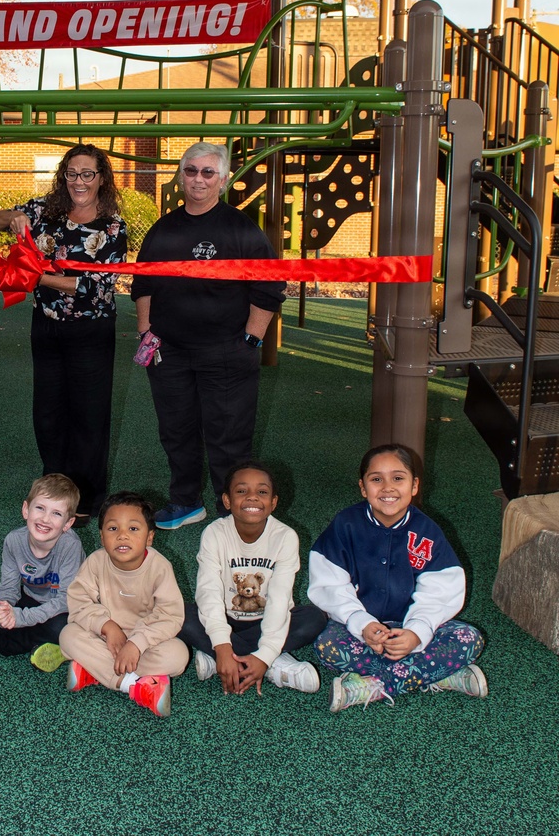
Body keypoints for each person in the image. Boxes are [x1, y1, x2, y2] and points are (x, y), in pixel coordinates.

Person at [131, 141, 286, 530]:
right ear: (181, 176)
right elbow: (143, 282)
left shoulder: (241, 229)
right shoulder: (163, 229)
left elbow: (270, 287)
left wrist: (251, 340)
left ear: (223, 179)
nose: (198, 179)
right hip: (170, 353)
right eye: (191, 171)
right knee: (176, 431)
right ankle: (185, 501)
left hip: (227, 353)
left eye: (207, 172)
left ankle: (230, 510)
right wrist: (146, 331)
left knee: (229, 438)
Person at [0, 144, 128, 523]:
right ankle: (54, 490)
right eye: (72, 173)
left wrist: (34, 276)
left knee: (88, 413)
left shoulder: (112, 226)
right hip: (46, 324)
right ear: (63, 175)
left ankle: (88, 498)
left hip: (91, 328)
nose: (79, 181)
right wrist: (15, 216)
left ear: (102, 178)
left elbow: (95, 287)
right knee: (47, 412)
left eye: (87, 174)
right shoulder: (44, 208)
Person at [308, 444, 488, 712]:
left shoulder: (428, 532)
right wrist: (362, 624)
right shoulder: (345, 525)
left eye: (398, 478)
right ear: (363, 487)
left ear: (414, 486)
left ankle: (373, 685)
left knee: (468, 638)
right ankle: (439, 673)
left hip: (411, 627)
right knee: (325, 642)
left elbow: (440, 591)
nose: (387, 488)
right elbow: (329, 585)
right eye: (376, 479)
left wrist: (416, 633)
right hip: (363, 631)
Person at [179, 461, 326, 695]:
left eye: (262, 492)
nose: (252, 497)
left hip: (267, 619)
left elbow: (279, 599)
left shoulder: (285, 537)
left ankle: (223, 660)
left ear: (273, 502)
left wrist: (264, 654)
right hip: (225, 617)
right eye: (241, 491)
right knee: (179, 615)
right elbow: (209, 591)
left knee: (314, 618)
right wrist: (222, 643)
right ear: (227, 500)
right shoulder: (214, 534)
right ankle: (272, 664)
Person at [59, 492, 188, 717]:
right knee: (68, 635)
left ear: (149, 538)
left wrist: (137, 644)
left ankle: (93, 670)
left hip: (145, 642)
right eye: (113, 529)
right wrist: (107, 627)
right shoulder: (96, 562)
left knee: (178, 654)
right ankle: (134, 685)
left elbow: (170, 615)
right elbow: (79, 601)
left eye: (133, 529)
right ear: (101, 537)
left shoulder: (160, 567)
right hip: (106, 638)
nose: (122, 536)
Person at [0, 473, 85, 670]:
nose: (45, 519)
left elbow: (66, 600)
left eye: (56, 514)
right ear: (26, 510)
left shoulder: (70, 546)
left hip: (62, 609)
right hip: (29, 600)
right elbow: (9, 586)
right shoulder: (13, 540)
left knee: (61, 628)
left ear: (68, 524)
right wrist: (4, 608)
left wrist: (20, 618)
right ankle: (46, 643)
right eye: (40, 508)